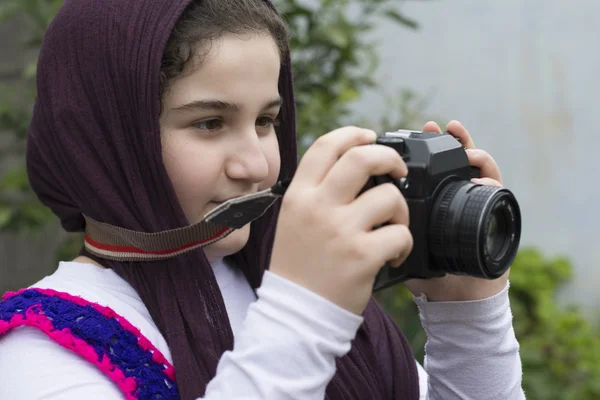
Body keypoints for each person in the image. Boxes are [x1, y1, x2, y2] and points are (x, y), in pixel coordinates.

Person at [0, 0, 525, 399]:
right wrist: (306, 313)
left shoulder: (292, 292)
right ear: (104, 138)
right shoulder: (37, 356)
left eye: (267, 121)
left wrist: (468, 318)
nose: (257, 166)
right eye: (209, 123)